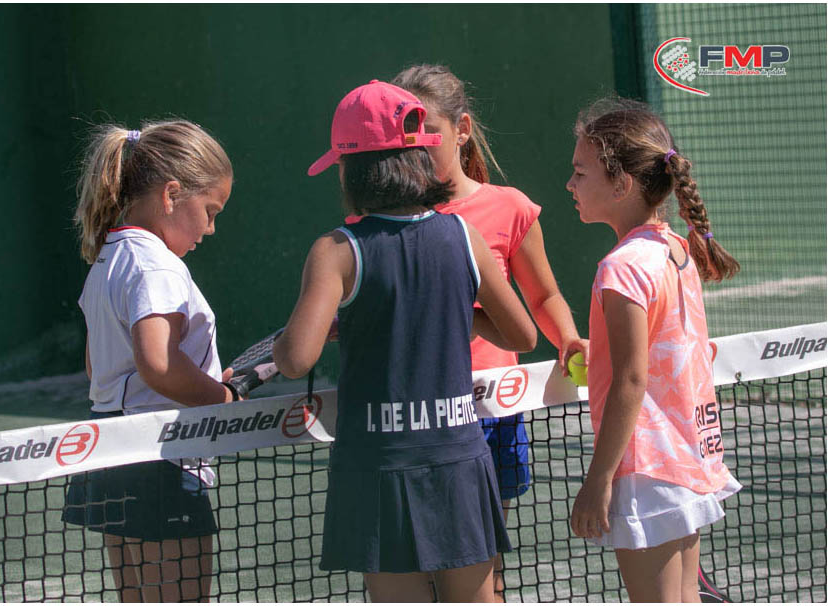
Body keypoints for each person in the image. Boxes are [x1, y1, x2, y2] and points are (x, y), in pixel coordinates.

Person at [273, 80, 538, 602]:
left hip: (378, 466)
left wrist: (287, 341)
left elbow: (295, 359)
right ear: (419, 158)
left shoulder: (335, 251)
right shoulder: (465, 237)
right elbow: (522, 335)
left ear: (351, 170)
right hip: (458, 460)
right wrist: (453, 310)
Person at [392, 64, 588, 601]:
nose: (417, 144)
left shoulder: (509, 207)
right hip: (414, 415)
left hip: (492, 412)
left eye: (429, 129)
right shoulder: (388, 218)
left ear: (462, 129)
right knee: (419, 572)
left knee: (481, 568)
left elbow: (543, 297)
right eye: (405, 132)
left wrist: (568, 338)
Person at [565, 98, 742, 602]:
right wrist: (598, 347)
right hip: (686, 460)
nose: (570, 184)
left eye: (581, 172)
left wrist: (599, 480)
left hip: (647, 471)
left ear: (621, 185)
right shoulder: (676, 250)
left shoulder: (621, 268)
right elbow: (660, 347)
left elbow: (632, 379)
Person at [63, 120, 239, 602]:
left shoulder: (108, 258)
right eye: (209, 211)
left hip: (112, 453)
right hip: (159, 459)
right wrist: (222, 397)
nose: (210, 228)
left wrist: (202, 379)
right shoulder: (157, 264)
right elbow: (159, 365)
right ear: (171, 194)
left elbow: (99, 368)